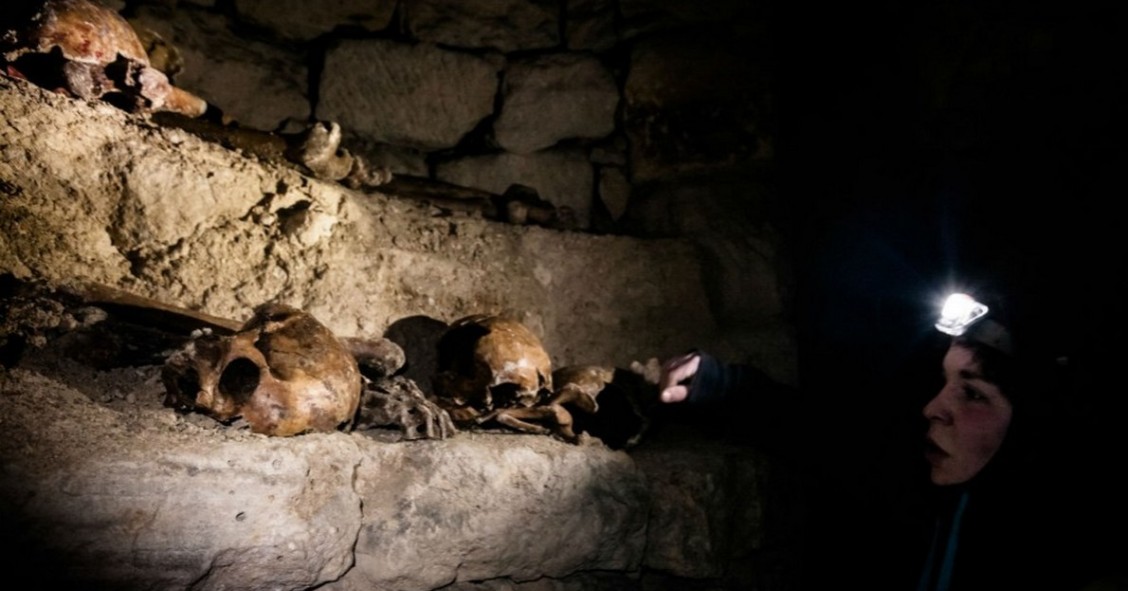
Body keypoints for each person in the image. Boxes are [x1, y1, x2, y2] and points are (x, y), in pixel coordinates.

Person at [657, 286, 1126, 590]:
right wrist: (721, 383)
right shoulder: (921, 487)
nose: (934, 408)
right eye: (945, 382)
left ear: (1033, 420)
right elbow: (825, 435)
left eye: (972, 394)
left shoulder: (1071, 548)